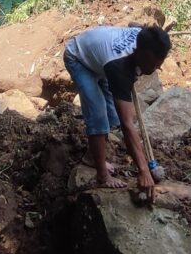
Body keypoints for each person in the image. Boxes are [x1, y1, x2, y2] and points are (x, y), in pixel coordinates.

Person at [64, 25, 171, 202]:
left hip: (100, 60)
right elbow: (127, 125)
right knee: (99, 116)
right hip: (79, 58)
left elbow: (137, 25)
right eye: (153, 64)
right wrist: (143, 170)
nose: (157, 68)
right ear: (141, 54)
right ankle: (102, 175)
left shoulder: (144, 36)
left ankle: (93, 156)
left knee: (112, 115)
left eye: (160, 62)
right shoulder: (119, 68)